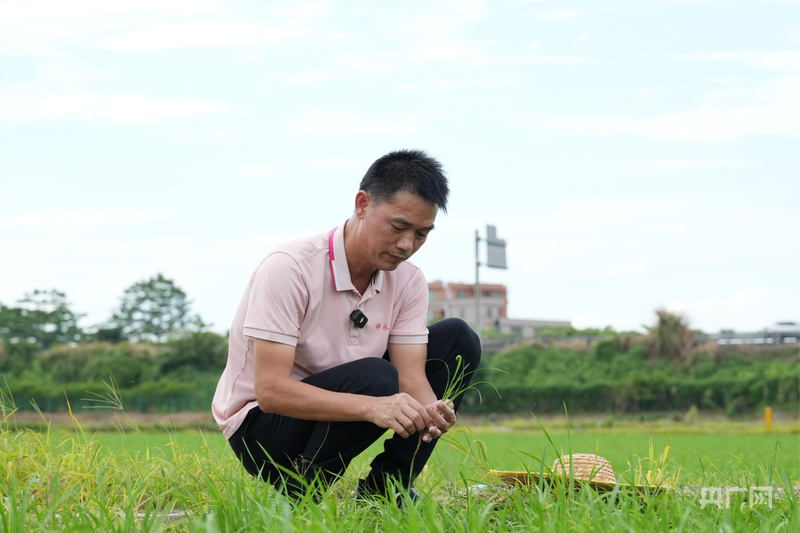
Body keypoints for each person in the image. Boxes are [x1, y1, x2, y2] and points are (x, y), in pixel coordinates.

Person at [211, 149, 482, 502]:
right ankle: (302, 491)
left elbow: (411, 376)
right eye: (398, 227)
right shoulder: (289, 268)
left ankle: (387, 490)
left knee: (458, 339)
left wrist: (432, 411)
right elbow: (271, 391)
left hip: (351, 396)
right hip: (261, 428)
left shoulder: (409, 281)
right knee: (376, 379)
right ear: (362, 204)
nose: (407, 245)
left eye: (421, 234)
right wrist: (372, 407)